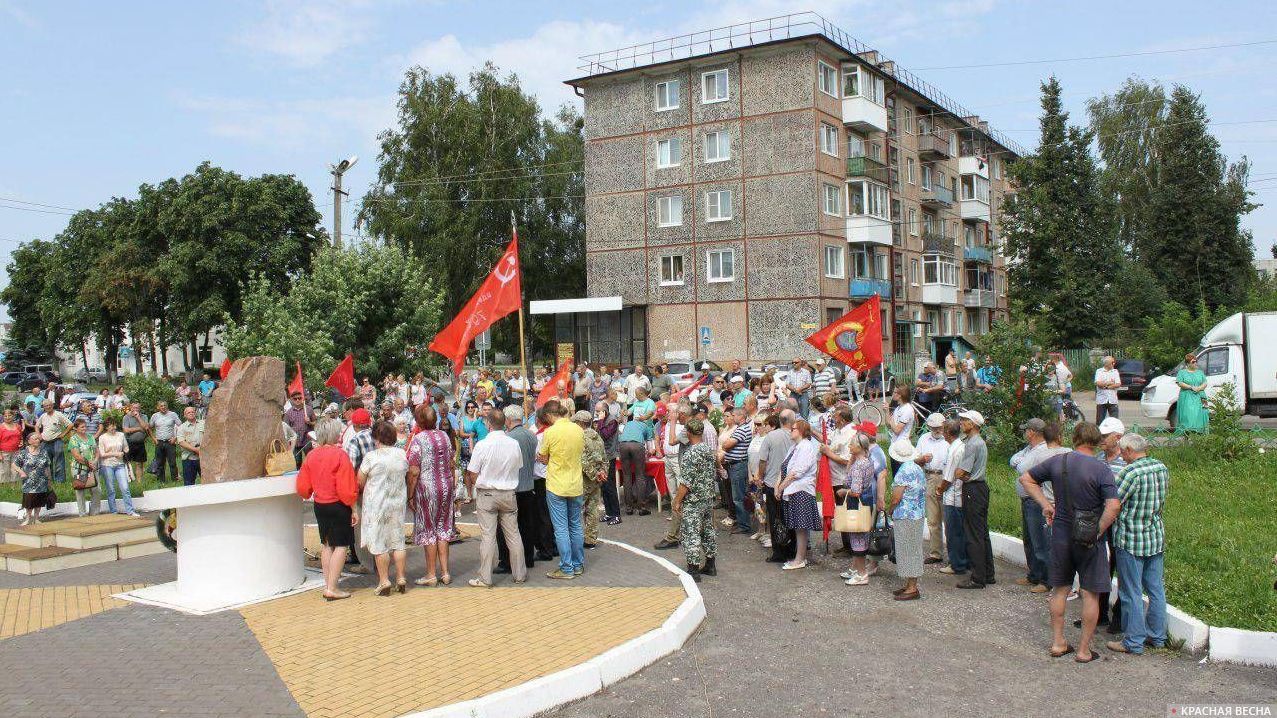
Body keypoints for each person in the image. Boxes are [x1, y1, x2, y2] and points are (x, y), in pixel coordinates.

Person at [1019, 422, 1121, 664]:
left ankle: (1057, 642)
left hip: (1061, 533)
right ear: (1096, 442)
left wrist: (1046, 504)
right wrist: (1098, 529)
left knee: (1060, 589)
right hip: (1089, 538)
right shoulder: (1101, 468)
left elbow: (1026, 479)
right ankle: (1084, 651)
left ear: (1074, 438)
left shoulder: (1059, 461)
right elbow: (1114, 505)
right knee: (1090, 594)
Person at [1107, 432, 1169, 655]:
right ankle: (1157, 636)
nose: (1122, 456)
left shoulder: (1130, 472)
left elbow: (1114, 501)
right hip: (1154, 536)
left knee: (1130, 591)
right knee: (1155, 589)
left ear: (1130, 451)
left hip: (1131, 539)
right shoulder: (1161, 467)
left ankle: (1133, 641)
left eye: (1123, 452)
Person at [295, 418, 359, 601]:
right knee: (341, 545)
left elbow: (303, 487)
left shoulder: (312, 455)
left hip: (320, 504)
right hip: (338, 504)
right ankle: (332, 587)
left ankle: (328, 583)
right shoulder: (340, 455)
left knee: (327, 544)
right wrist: (354, 508)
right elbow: (347, 487)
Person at [464, 408, 527, 588]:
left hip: (488, 492)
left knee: (488, 536)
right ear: (504, 422)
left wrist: (481, 484)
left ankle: (485, 577)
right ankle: (520, 574)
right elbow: (518, 466)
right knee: (513, 535)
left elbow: (473, 471)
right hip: (508, 492)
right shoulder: (513, 443)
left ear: (488, 424)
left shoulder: (483, 445)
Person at [358, 421, 410, 596]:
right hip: (396, 502)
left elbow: (360, 480)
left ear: (376, 437)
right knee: (398, 541)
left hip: (377, 504)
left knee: (379, 542)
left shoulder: (371, 457)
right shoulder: (402, 454)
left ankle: (384, 581)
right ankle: (401, 578)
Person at [407, 405, 456, 586]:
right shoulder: (444, 435)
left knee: (429, 530)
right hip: (446, 485)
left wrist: (410, 495)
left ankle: (430, 574)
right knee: (443, 528)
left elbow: (413, 470)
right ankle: (445, 572)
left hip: (427, 488)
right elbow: (450, 460)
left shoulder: (418, 440)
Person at [539, 401, 586, 579]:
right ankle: (578, 563)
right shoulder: (577, 429)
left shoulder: (549, 432)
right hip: (575, 483)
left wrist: (546, 458)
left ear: (549, 415)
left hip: (556, 484)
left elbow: (543, 457)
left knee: (561, 528)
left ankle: (567, 568)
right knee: (575, 525)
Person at [1009, 418, 1053, 593]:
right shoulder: (1030, 449)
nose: (1025, 433)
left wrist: (1021, 461)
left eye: (1026, 430)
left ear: (1032, 432)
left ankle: (1045, 579)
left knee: (1039, 540)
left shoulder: (1041, 450)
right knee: (1029, 539)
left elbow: (1021, 467)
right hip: (1026, 499)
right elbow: (1013, 460)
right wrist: (1020, 461)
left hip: (1036, 500)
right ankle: (1033, 573)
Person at [673, 418, 718, 582]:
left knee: (691, 533)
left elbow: (686, 481)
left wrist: (677, 500)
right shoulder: (707, 449)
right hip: (707, 498)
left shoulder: (690, 453)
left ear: (688, 433)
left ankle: (693, 569)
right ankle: (711, 564)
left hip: (693, 500)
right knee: (708, 531)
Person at [954, 410, 994, 589]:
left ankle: (978, 577)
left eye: (964, 420)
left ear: (973, 424)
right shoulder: (977, 442)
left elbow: (961, 472)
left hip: (972, 488)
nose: (961, 422)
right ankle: (988, 573)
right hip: (980, 488)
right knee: (982, 532)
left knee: (973, 534)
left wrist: (957, 473)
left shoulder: (972, 444)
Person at [775, 419, 821, 570]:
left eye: (793, 429)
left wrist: (781, 487)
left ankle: (800, 558)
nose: (790, 431)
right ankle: (799, 557)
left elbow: (797, 472)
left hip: (801, 490)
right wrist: (778, 485)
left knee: (801, 527)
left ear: (801, 431)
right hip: (792, 490)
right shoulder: (794, 447)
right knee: (797, 526)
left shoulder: (806, 447)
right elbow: (784, 467)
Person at [888, 438, 927, 601]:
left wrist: (890, 510)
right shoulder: (917, 468)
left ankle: (912, 588)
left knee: (907, 550)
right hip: (917, 514)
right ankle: (910, 584)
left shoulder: (903, 471)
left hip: (905, 515)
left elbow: (896, 498)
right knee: (913, 549)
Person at [838, 432, 877, 586]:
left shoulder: (859, 465)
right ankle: (857, 569)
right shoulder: (866, 461)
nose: (849, 446)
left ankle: (861, 573)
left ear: (860, 447)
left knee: (857, 537)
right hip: (867, 500)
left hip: (857, 502)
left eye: (852, 444)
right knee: (861, 536)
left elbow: (854, 490)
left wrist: (843, 492)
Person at [758, 411, 796, 562]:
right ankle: (792, 549)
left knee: (775, 517)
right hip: (792, 482)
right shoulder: (796, 436)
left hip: (772, 481)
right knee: (791, 517)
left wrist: (760, 476)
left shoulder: (770, 437)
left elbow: (762, 460)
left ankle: (779, 552)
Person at [914, 413, 949, 565]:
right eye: (934, 428)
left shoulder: (949, 440)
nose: (937, 430)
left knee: (948, 517)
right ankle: (936, 552)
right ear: (929, 427)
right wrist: (922, 459)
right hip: (929, 476)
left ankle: (954, 555)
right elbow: (915, 459)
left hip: (946, 477)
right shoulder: (923, 439)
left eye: (939, 427)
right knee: (933, 517)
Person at [935, 420, 967, 576]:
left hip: (953, 496)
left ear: (947, 432)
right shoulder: (959, 446)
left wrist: (940, 489)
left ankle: (957, 564)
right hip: (958, 494)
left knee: (953, 532)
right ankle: (961, 560)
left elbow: (948, 477)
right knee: (959, 530)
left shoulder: (954, 450)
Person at [576, 410, 608, 549]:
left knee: (577, 508)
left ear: (580, 423)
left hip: (585, 479)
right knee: (593, 509)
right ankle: (591, 538)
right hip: (597, 479)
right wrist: (602, 473)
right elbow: (605, 458)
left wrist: (594, 474)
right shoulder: (597, 437)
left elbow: (583, 460)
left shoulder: (581, 437)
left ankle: (577, 539)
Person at [722, 405, 754, 535]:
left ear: (741, 416)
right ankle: (742, 523)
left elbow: (727, 445)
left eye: (734, 415)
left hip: (738, 465)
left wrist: (726, 444)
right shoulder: (741, 428)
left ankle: (744, 525)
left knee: (738, 497)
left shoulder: (742, 430)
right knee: (738, 496)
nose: (733, 417)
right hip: (735, 465)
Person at [96, 417, 135, 516]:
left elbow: (126, 447)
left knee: (125, 488)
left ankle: (130, 511)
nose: (113, 427)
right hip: (107, 465)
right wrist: (115, 453)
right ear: (106, 427)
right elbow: (101, 454)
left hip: (120, 464)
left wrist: (125, 452)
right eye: (111, 426)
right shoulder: (102, 437)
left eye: (114, 425)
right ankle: (113, 512)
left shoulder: (121, 435)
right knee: (111, 489)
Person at [617, 411, 654, 516]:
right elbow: (649, 442)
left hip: (623, 444)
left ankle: (629, 507)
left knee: (627, 476)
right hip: (637, 445)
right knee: (640, 476)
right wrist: (649, 452)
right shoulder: (645, 425)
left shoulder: (628, 424)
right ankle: (641, 507)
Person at [593, 400, 622, 525]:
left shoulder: (612, 421)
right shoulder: (603, 421)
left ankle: (616, 515)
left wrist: (600, 421)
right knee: (604, 486)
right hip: (602, 456)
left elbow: (604, 435)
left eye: (598, 411)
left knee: (610, 485)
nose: (596, 413)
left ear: (604, 411)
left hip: (609, 456)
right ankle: (609, 513)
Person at [14, 432, 52, 526]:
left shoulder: (43, 452)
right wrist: (21, 472)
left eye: (38, 439)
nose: (38, 440)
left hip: (41, 481)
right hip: (28, 482)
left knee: (39, 500)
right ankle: (28, 519)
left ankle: (36, 518)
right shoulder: (24, 452)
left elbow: (47, 467)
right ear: (29, 441)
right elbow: (14, 464)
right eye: (35, 439)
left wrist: (49, 480)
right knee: (29, 501)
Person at [67, 417, 101, 516]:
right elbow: (76, 455)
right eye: (82, 427)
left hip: (92, 467)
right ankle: (82, 513)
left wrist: (94, 461)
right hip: (79, 468)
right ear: (76, 428)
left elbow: (96, 451)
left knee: (97, 489)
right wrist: (88, 463)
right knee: (80, 491)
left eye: (85, 426)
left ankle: (94, 512)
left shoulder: (90, 437)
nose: (84, 428)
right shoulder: (73, 439)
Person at [36, 398, 71, 484]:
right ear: (44, 407)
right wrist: (38, 435)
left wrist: (63, 434)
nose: (48, 407)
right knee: (46, 462)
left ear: (52, 405)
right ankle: (48, 480)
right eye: (46, 406)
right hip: (45, 442)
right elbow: (37, 426)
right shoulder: (43, 416)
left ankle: (60, 481)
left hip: (56, 441)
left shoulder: (58, 414)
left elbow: (70, 425)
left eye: (49, 405)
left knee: (59, 461)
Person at [1175, 353, 1209, 433]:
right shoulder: (1182, 372)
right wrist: (1191, 387)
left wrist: (1199, 388)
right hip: (1187, 396)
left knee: (1203, 413)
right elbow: (1180, 383)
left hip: (1201, 396)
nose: (1195, 363)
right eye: (1193, 362)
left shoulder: (1200, 372)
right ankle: (1187, 436)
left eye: (1196, 361)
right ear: (1187, 363)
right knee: (1188, 416)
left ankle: (1201, 434)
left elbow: (1205, 383)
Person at [885, 385, 915, 472]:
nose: (892, 394)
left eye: (895, 392)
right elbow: (888, 424)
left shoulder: (907, 410)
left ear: (900, 395)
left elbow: (897, 430)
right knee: (895, 474)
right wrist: (886, 411)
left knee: (900, 475)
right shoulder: (898, 408)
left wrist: (891, 422)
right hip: (894, 445)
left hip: (902, 447)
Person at [150, 401, 181, 484]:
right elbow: (149, 427)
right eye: (161, 406)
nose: (163, 407)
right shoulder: (155, 416)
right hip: (159, 442)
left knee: (172, 463)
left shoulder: (173, 414)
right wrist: (153, 438)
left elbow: (181, 427)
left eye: (164, 405)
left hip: (170, 442)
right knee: (160, 463)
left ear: (167, 406)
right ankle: (161, 481)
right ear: (158, 407)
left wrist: (176, 438)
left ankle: (175, 480)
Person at [283, 391, 315, 463]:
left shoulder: (309, 409)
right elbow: (286, 428)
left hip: (307, 441)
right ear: (291, 400)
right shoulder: (288, 413)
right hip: (295, 442)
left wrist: (309, 422)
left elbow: (316, 423)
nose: (297, 400)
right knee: (297, 463)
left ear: (302, 399)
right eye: (295, 399)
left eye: (299, 398)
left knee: (311, 461)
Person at [121, 401, 149, 484]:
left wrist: (138, 418)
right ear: (131, 408)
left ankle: (139, 482)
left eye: (137, 408)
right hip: (129, 443)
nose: (135, 409)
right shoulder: (126, 417)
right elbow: (126, 430)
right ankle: (128, 480)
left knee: (139, 463)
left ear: (140, 409)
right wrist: (139, 429)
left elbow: (146, 427)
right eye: (134, 408)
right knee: (127, 463)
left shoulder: (144, 416)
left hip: (140, 443)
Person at [175, 407, 204, 486]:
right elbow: (181, 442)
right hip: (189, 459)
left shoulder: (204, 423)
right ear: (185, 415)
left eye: (192, 412)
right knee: (189, 484)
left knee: (208, 482)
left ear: (195, 413)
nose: (191, 413)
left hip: (203, 458)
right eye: (188, 412)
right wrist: (196, 450)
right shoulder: (181, 427)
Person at [1094, 356, 1122, 423]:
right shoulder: (1099, 371)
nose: (1114, 364)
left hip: (1113, 399)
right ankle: (1100, 433)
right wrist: (1109, 383)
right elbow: (1097, 383)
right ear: (1107, 364)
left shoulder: (1115, 371)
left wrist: (1106, 386)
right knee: (1100, 421)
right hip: (1101, 400)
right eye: (1112, 362)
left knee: (1115, 421)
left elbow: (1118, 384)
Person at [0, 408, 23, 485]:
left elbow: (20, 437)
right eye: (5, 416)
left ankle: (14, 486)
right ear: (3, 417)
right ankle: (5, 486)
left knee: (15, 469)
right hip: (4, 452)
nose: (7, 417)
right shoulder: (1, 427)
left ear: (13, 416)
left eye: (9, 415)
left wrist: (21, 442)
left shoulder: (18, 426)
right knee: (5, 470)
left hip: (16, 451)